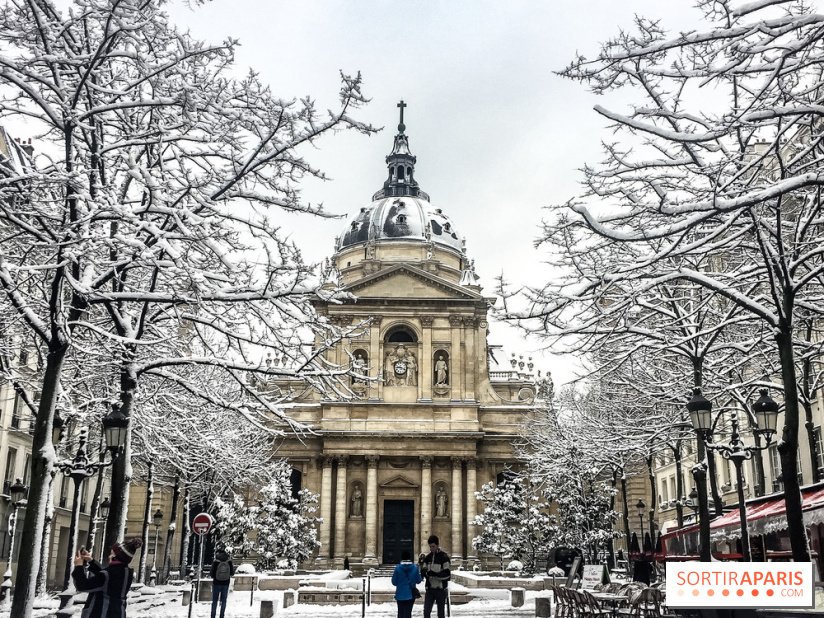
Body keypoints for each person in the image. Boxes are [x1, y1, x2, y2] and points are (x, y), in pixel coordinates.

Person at [72, 537, 143, 618]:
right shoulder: (127, 573)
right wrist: (91, 561)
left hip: (101, 614)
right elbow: (107, 579)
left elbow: (82, 586)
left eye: (111, 554)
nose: (109, 556)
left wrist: (78, 567)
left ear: (115, 558)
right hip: (118, 614)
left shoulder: (107, 575)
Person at [420, 535, 450, 618]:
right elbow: (424, 570)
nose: (431, 549)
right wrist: (424, 572)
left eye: (433, 546)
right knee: (426, 611)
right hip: (430, 589)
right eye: (430, 547)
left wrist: (436, 574)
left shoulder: (444, 557)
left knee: (440, 613)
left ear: (437, 545)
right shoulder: (428, 557)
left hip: (440, 589)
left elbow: (447, 574)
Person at [391, 550, 422, 618]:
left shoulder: (398, 568)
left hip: (400, 594)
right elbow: (419, 580)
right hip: (410, 594)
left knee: (400, 613)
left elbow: (394, 582)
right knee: (408, 613)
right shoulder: (414, 568)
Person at [210, 548, 235, 618]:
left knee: (214, 601)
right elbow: (232, 573)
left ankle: (213, 615)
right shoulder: (229, 562)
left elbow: (211, 574)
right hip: (225, 583)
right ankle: (221, 615)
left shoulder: (216, 562)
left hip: (216, 583)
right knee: (224, 601)